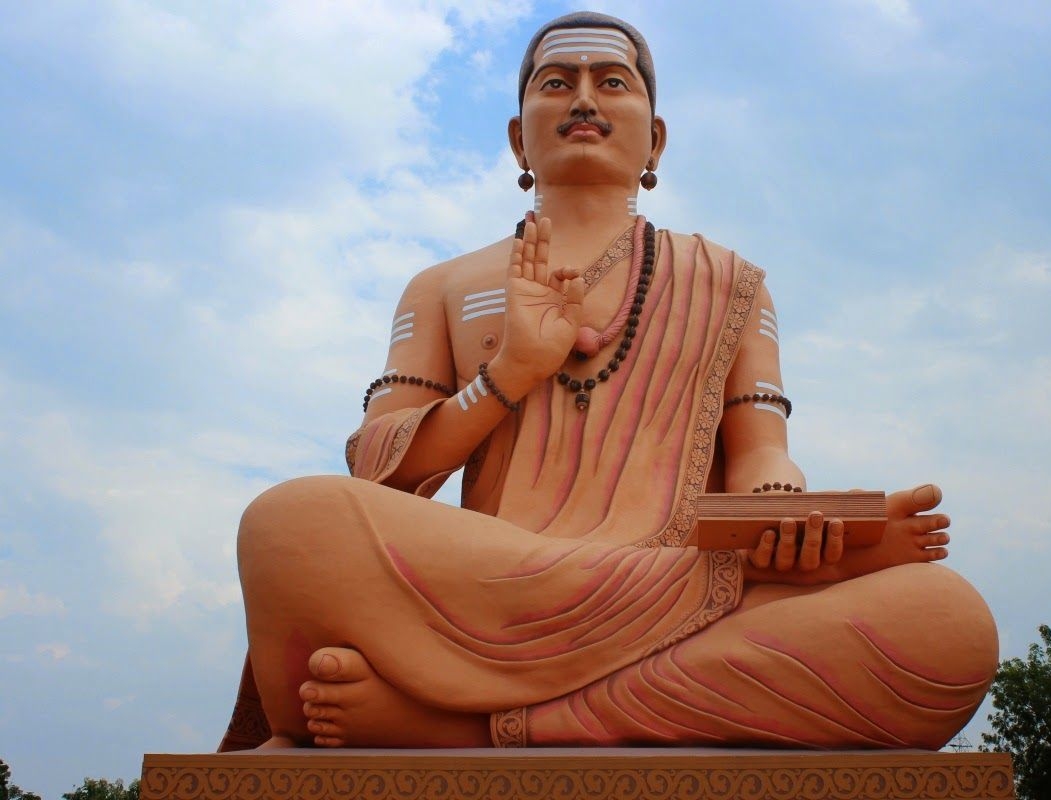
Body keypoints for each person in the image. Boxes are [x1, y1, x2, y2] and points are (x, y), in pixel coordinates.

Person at [221, 11, 998, 751]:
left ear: (654, 140)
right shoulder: (445, 286)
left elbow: (762, 450)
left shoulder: (729, 280)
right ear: (516, 137)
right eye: (555, 83)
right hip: (489, 582)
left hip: (679, 578)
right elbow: (380, 470)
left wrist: (783, 520)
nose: (584, 99)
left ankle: (470, 724)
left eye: (612, 82)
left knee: (946, 624)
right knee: (292, 521)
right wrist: (506, 375)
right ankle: (608, 694)